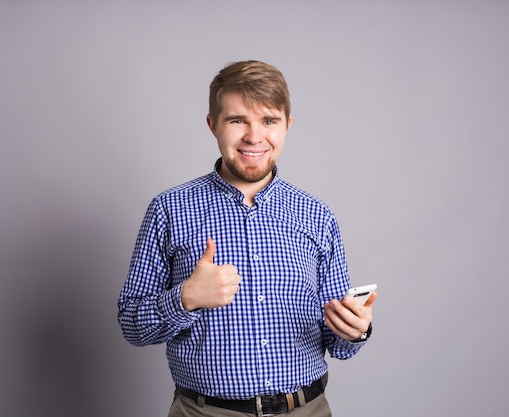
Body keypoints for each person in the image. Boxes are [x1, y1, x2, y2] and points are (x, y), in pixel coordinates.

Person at [117, 60, 377, 417]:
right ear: (213, 126)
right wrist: (186, 298)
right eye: (237, 120)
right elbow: (132, 323)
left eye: (269, 121)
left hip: (307, 409)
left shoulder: (317, 215)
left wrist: (355, 330)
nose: (254, 137)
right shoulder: (169, 209)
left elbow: (338, 342)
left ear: (287, 125)